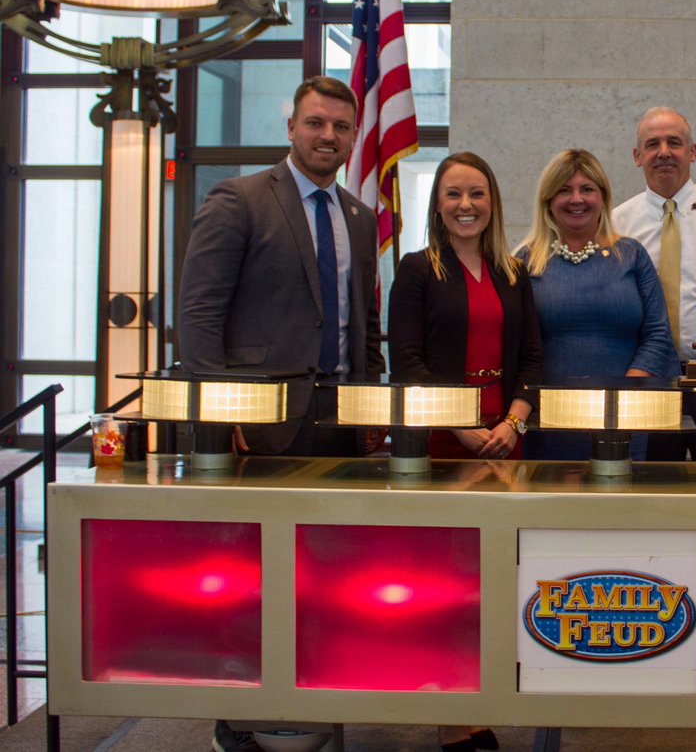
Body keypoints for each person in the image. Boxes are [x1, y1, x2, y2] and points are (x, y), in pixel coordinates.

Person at [178, 77, 385, 750]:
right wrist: (220, 406)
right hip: (256, 424)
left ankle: (315, 707)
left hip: (339, 427)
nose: (329, 137)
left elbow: (362, 325)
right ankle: (238, 719)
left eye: (341, 127)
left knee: (325, 578)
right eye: (317, 123)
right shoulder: (239, 199)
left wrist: (372, 407)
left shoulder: (358, 216)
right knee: (250, 580)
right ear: (291, 125)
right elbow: (199, 315)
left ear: (354, 136)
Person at [519, 149, 679, 460]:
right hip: (549, 419)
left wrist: (620, 397)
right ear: (548, 200)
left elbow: (658, 334)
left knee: (619, 503)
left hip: (623, 418)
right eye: (564, 190)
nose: (576, 199)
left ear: (602, 197)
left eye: (587, 189)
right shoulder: (525, 263)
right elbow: (516, 347)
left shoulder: (632, 255)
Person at [612, 107, 696, 461]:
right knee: (654, 493)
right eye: (652, 144)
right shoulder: (616, 225)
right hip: (652, 378)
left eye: (674, 142)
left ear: (693, 152)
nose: (664, 152)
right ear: (637, 156)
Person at [388, 152, 540, 463]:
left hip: (505, 438)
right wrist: (459, 424)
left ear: (492, 204)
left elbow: (532, 358)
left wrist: (514, 425)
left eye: (477, 194)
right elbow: (406, 362)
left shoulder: (514, 272)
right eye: (453, 194)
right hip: (437, 436)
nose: (466, 204)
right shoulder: (417, 269)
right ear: (438, 206)